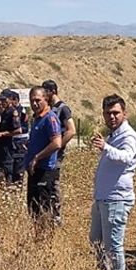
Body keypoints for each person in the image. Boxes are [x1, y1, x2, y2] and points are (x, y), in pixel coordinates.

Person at [90, 94, 136, 270]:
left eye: (115, 113)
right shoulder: (114, 135)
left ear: (124, 113)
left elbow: (126, 158)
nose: (111, 117)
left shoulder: (128, 136)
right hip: (104, 197)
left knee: (113, 245)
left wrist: (106, 148)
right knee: (96, 240)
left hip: (117, 198)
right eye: (107, 113)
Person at [22, 86, 63, 222]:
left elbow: (57, 143)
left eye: (38, 100)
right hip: (34, 170)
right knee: (34, 210)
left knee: (43, 211)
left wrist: (37, 157)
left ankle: (45, 241)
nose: (34, 104)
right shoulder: (38, 118)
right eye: (32, 100)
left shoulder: (50, 118)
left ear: (46, 99)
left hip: (44, 171)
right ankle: (38, 240)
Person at [41, 79, 75, 224]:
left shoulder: (63, 108)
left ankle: (56, 216)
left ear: (52, 92)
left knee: (53, 183)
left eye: (45, 92)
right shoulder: (50, 108)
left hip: (55, 154)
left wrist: (58, 145)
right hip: (47, 152)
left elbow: (71, 130)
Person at [0, 91, 24, 184]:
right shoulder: (4, 112)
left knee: (7, 171)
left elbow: (18, 130)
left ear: (9, 100)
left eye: (4, 100)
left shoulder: (13, 112)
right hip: (0, 146)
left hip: (7, 147)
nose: (1, 103)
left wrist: (2, 134)